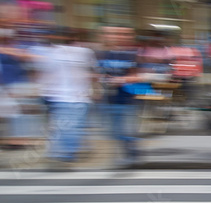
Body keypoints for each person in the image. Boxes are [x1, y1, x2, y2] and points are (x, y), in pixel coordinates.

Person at [35, 28, 98, 165]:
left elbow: (40, 72)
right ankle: (67, 152)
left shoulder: (51, 52)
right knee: (72, 125)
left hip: (58, 96)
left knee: (62, 125)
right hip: (75, 96)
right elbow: (93, 73)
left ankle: (64, 153)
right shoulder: (85, 52)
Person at [98, 26, 143, 167]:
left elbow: (137, 76)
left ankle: (131, 154)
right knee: (114, 132)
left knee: (127, 130)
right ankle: (127, 153)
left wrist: (120, 80)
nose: (119, 37)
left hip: (127, 99)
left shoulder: (132, 54)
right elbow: (97, 73)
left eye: (124, 34)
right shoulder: (103, 54)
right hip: (109, 100)